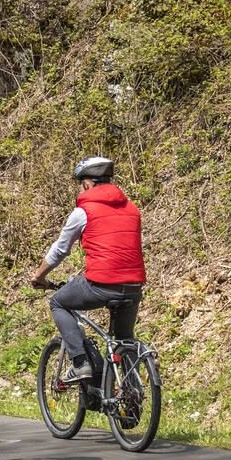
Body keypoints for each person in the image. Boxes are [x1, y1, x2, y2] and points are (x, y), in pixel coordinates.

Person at [29, 156, 146, 382]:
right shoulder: (132, 208)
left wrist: (40, 276)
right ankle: (131, 398)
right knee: (124, 339)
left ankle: (81, 362)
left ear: (87, 184)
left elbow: (61, 249)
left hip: (101, 284)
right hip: (133, 286)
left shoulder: (84, 211)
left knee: (58, 302)